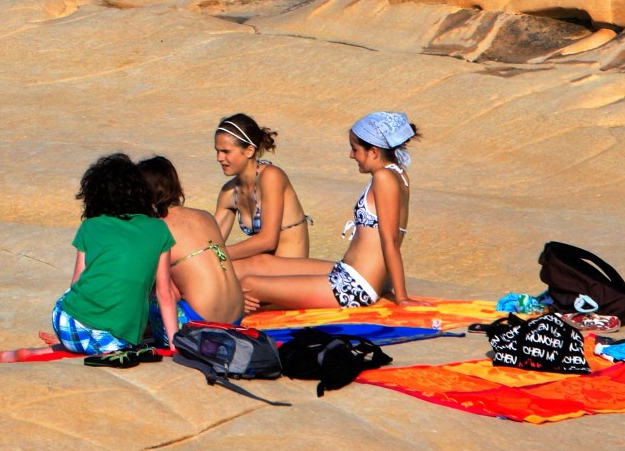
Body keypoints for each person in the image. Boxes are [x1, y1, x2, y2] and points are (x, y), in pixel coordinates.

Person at [234, 112, 417, 312]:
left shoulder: (384, 178)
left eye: (355, 149)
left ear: (373, 151)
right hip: (347, 272)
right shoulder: (397, 174)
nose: (351, 155)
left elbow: (390, 240)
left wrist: (402, 297)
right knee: (261, 263)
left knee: (248, 285)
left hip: (353, 287)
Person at [42, 153, 172, 355]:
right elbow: (165, 293)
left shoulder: (90, 226)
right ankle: (66, 348)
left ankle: (60, 348)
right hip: (114, 340)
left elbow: (76, 283)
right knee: (123, 342)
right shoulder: (158, 229)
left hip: (68, 325)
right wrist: (174, 346)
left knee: (80, 294)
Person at [138, 155, 246, 341]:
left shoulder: (156, 228)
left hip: (198, 324)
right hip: (235, 319)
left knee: (148, 289)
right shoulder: (205, 216)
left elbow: (156, 288)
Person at [211, 112, 311, 262]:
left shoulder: (271, 177)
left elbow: (268, 240)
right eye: (217, 151)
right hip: (263, 269)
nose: (219, 158)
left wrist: (217, 256)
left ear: (249, 151)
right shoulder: (229, 192)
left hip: (291, 271)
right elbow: (211, 242)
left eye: (226, 151)